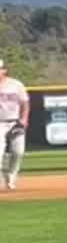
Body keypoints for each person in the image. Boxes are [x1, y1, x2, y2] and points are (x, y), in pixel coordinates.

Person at [0, 58, 27, 192]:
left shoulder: (16, 85)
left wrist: (24, 119)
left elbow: (25, 103)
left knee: (18, 152)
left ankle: (11, 176)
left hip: (15, 122)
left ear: (5, 70)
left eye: (0, 68)